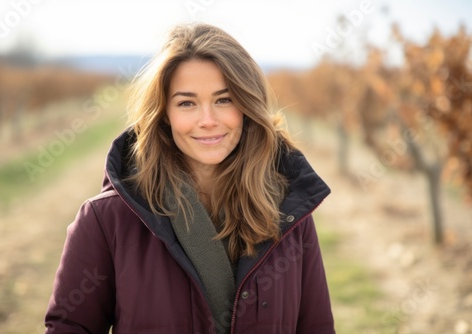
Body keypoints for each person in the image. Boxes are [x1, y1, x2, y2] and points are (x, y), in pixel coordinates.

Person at [44, 22, 335, 334]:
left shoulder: (289, 214)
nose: (207, 120)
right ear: (164, 113)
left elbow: (316, 327)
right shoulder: (106, 220)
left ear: (248, 106)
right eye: (187, 103)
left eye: (224, 99)